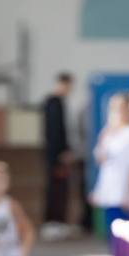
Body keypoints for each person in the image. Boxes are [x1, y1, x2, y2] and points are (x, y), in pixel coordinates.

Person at [90, 94, 129, 235]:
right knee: (111, 234)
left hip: (125, 195)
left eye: (121, 109)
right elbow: (102, 161)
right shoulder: (108, 133)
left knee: (125, 237)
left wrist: (128, 196)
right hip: (110, 193)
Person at [41, 72, 74, 233]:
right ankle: (52, 222)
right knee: (55, 189)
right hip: (56, 156)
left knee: (60, 188)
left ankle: (57, 222)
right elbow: (54, 132)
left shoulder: (57, 102)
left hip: (56, 154)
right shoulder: (54, 103)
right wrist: (61, 153)